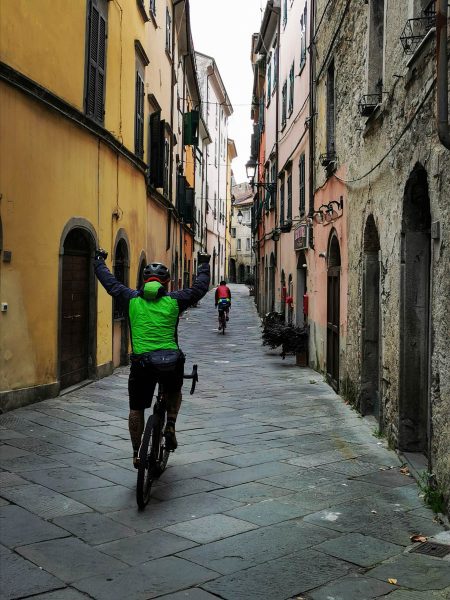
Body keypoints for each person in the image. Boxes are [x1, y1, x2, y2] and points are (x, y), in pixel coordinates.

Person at [93, 249, 210, 467]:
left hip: (142, 363)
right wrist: (203, 265)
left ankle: (137, 454)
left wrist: (98, 261)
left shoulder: (130, 299)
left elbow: (110, 283)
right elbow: (199, 289)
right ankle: (170, 424)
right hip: (171, 361)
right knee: (174, 391)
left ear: (143, 281)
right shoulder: (175, 300)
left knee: (136, 409)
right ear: (166, 283)